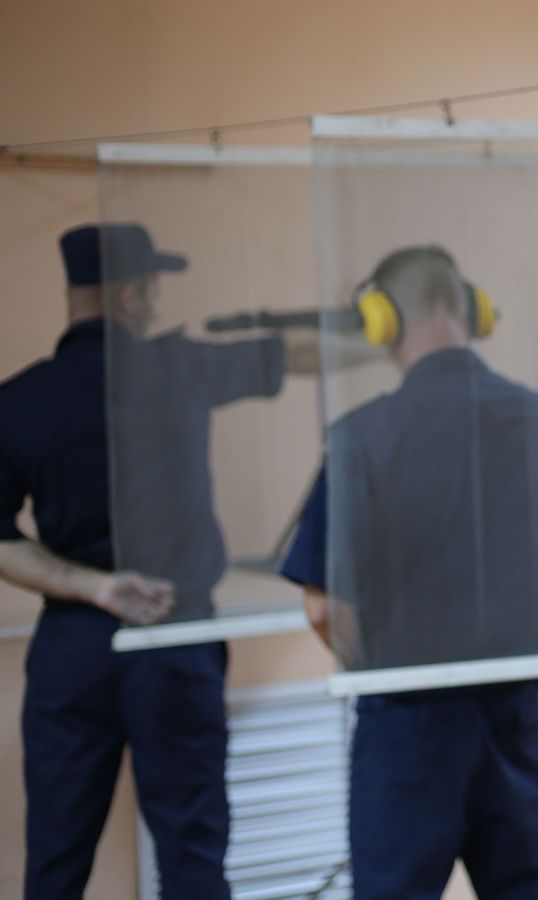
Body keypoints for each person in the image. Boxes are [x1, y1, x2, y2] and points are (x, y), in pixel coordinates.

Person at [279, 244, 538, 899]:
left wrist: (380, 672)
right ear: (471, 310)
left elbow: (322, 606)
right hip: (512, 723)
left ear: (382, 320)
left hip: (404, 732)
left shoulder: (363, 438)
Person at [0, 223, 315, 898]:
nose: (155, 304)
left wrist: (96, 587)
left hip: (72, 647)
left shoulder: (21, 401)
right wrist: (385, 331)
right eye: (151, 290)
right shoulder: (176, 368)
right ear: (130, 295)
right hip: (174, 637)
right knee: (192, 859)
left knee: (54, 864)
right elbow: (292, 355)